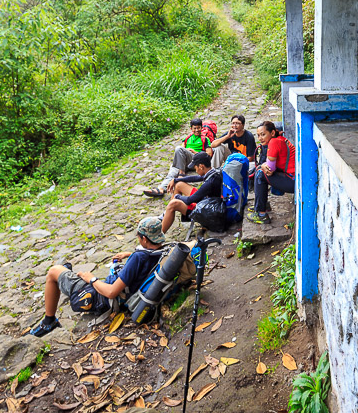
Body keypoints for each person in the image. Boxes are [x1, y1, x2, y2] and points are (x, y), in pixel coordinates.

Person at [29, 217, 166, 337]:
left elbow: (111, 292)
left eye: (138, 236)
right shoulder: (162, 251)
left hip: (104, 297)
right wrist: (129, 255)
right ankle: (66, 272)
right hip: (126, 289)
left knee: (53, 272)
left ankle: (49, 321)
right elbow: (144, 259)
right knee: (64, 269)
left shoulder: (138, 258)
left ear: (144, 239)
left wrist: (91, 278)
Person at [145, 118, 213, 197]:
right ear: (191, 128)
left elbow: (208, 155)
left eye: (199, 128)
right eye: (195, 128)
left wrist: (194, 152)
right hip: (185, 162)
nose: (197, 130)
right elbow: (180, 152)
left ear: (202, 128)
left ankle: (181, 173)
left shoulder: (205, 139)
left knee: (178, 149)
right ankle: (161, 189)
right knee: (173, 170)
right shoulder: (188, 138)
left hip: (196, 161)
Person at [161, 151, 223, 233]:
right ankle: (167, 213)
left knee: (173, 204)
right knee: (179, 185)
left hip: (209, 210)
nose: (195, 170)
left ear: (201, 166)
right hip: (208, 201)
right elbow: (196, 178)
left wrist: (176, 197)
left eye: (195, 168)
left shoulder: (210, 182)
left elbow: (189, 200)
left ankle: (159, 236)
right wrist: (175, 179)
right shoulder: (213, 172)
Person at [248, 121, 296, 225]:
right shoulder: (280, 139)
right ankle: (263, 205)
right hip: (293, 179)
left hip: (292, 181)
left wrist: (263, 166)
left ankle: (261, 214)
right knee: (260, 170)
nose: (260, 138)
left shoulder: (274, 142)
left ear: (272, 133)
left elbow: (269, 170)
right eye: (258, 135)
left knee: (260, 174)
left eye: (263, 134)